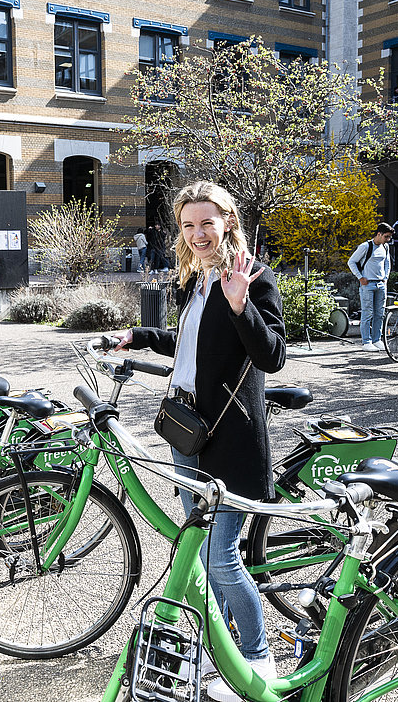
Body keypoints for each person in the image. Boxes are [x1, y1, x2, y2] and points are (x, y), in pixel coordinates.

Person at [115, 181, 286, 699]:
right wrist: (140, 336)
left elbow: (272, 355)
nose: (196, 234)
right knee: (196, 547)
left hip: (229, 443)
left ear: (228, 221)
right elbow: (193, 346)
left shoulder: (251, 279)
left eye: (206, 223)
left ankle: (259, 659)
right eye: (188, 225)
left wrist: (241, 308)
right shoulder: (196, 280)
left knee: (218, 557)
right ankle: (224, 650)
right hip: (187, 432)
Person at [347, 222, 394, 351]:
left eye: (389, 237)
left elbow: (387, 264)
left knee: (380, 313)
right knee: (367, 313)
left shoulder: (386, 247)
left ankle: (377, 340)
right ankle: (366, 342)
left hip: (381, 284)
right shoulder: (365, 246)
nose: (388, 239)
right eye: (386, 236)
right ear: (379, 234)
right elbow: (351, 261)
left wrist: (385, 278)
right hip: (368, 284)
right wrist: (360, 277)